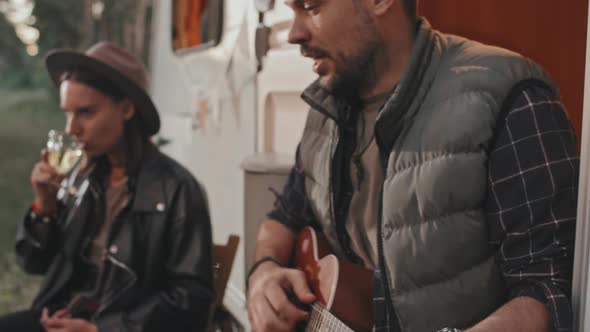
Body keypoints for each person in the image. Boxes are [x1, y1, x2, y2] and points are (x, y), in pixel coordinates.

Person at [246, 0, 578, 331]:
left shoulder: (509, 98)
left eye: (310, 6)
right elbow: (285, 215)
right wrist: (264, 270)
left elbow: (547, 291)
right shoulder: (327, 106)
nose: (293, 34)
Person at [0, 42, 214, 331]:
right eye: (67, 113)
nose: (71, 129)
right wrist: (44, 206)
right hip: (58, 321)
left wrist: (101, 330)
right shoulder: (83, 177)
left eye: (85, 113)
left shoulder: (176, 188)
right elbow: (34, 263)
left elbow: (192, 300)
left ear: (126, 108)